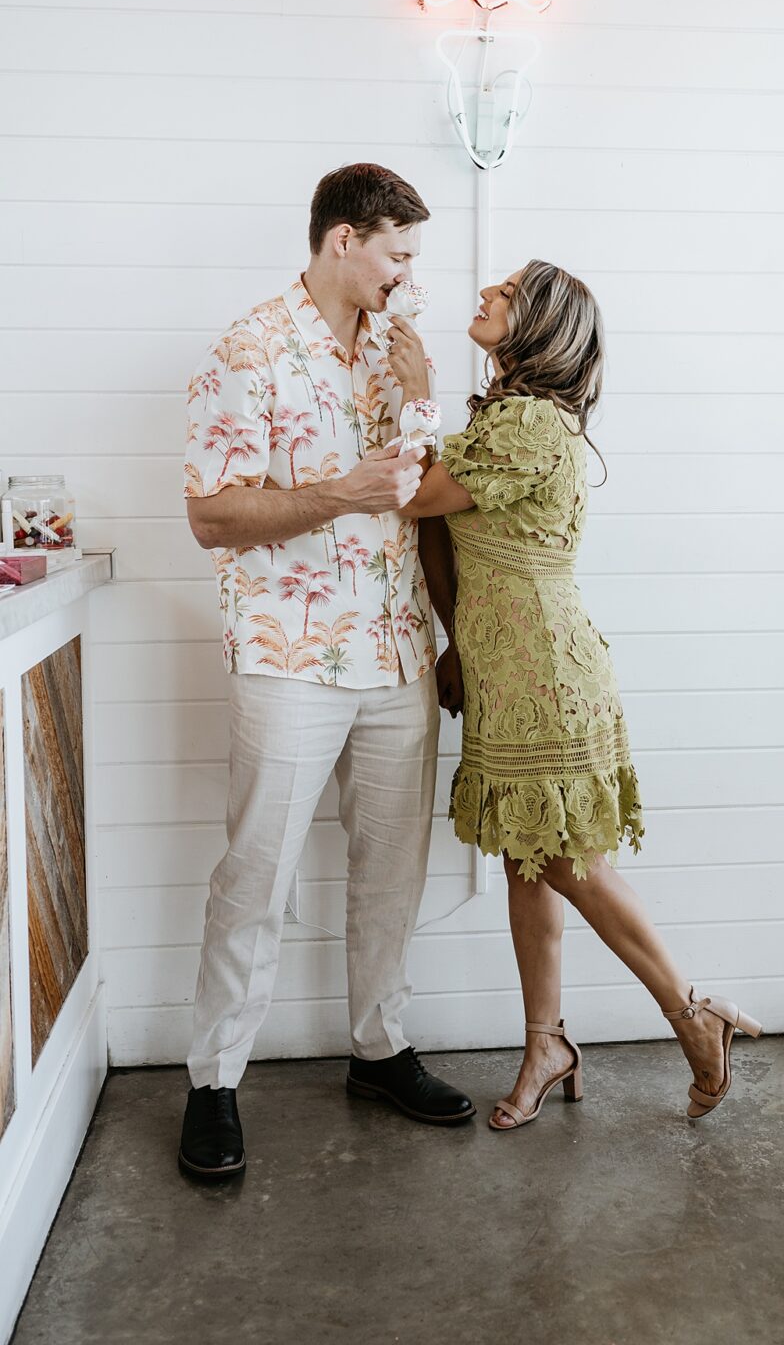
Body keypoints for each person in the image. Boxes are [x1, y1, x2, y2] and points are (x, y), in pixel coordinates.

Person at [401, 260, 762, 1130]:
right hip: (504, 668)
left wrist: (413, 395)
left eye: (510, 291)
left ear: (540, 326)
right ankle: (545, 1044)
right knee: (528, 862)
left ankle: (690, 1012)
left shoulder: (527, 422)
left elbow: (411, 496)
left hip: (548, 675)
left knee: (567, 863)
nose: (485, 290)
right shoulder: (504, 421)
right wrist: (455, 643)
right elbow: (435, 531)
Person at [178, 163, 475, 1181]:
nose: (406, 274)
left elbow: (421, 493)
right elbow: (213, 514)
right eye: (397, 253)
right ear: (343, 240)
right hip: (287, 654)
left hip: (396, 648)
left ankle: (380, 1050)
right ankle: (213, 1080)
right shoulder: (247, 349)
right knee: (254, 871)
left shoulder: (399, 356)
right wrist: (334, 495)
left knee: (392, 867)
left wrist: (428, 397)